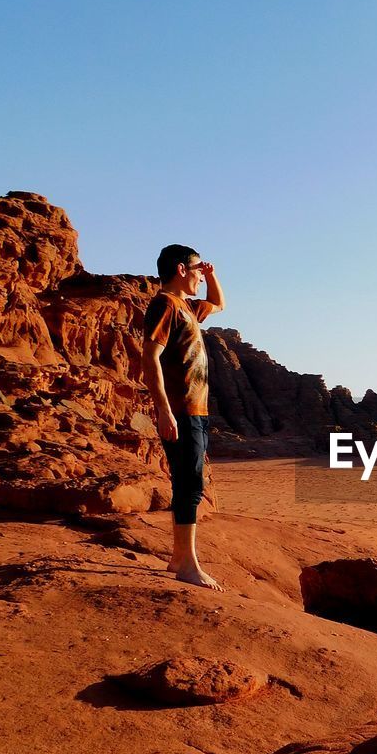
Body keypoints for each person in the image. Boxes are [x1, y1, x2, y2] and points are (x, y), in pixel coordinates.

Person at [141, 244, 226, 591]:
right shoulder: (164, 304)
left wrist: (210, 274)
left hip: (196, 410)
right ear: (179, 269)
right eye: (194, 271)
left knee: (187, 483)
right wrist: (163, 409)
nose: (198, 277)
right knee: (190, 485)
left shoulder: (187, 307)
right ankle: (188, 565)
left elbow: (219, 304)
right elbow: (150, 356)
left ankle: (178, 557)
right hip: (181, 410)